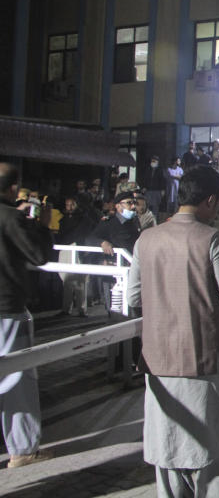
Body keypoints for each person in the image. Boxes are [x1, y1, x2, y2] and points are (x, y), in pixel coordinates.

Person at [128, 165, 219, 497]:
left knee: (168, 457)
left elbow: (133, 296)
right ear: (210, 199)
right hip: (206, 363)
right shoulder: (211, 238)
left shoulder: (146, 239)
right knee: (216, 461)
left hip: (158, 363)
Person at [0, 164, 55, 468]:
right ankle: (22, 450)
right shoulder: (11, 218)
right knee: (17, 381)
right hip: (7, 310)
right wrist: (43, 225)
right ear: (13, 189)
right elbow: (38, 256)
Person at [56, 196, 94, 317]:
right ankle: (66, 308)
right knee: (66, 279)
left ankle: (82, 309)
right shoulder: (64, 219)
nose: (70, 207)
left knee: (79, 280)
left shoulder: (84, 219)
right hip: (65, 248)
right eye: (68, 205)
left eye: (72, 204)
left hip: (78, 249)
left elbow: (86, 233)